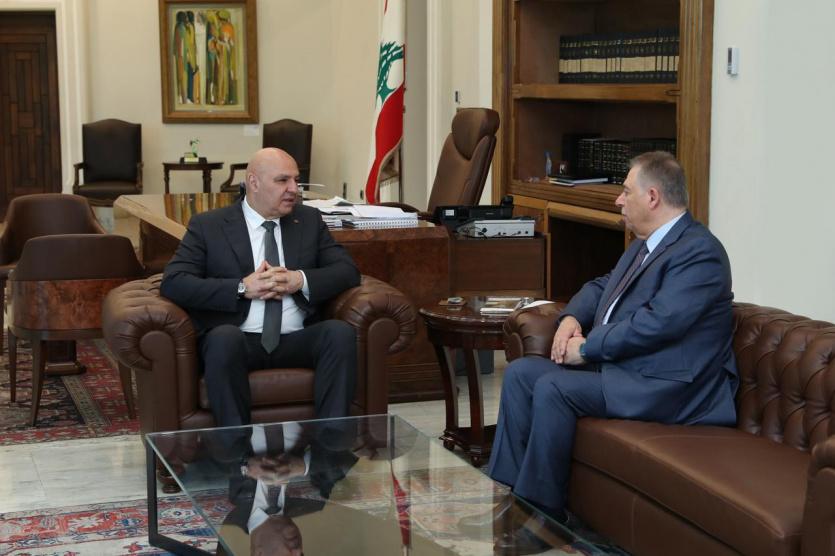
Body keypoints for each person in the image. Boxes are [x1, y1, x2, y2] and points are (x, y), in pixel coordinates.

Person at [482, 151, 738, 554]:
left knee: (554, 387)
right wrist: (570, 318)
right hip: (629, 370)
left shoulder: (699, 253)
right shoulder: (645, 244)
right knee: (521, 374)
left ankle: (543, 517)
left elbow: (659, 323)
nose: (619, 200)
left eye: (625, 191)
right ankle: (510, 500)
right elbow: (603, 285)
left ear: (652, 197)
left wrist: (588, 349)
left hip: (669, 386)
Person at [160, 147, 360, 428]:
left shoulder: (308, 220)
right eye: (282, 180)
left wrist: (299, 280)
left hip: (296, 338)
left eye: (296, 180)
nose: (294, 189)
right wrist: (242, 288)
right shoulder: (209, 225)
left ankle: (331, 444)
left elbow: (348, 271)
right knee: (223, 339)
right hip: (238, 339)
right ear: (253, 182)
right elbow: (174, 282)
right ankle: (235, 448)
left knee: (338, 333)